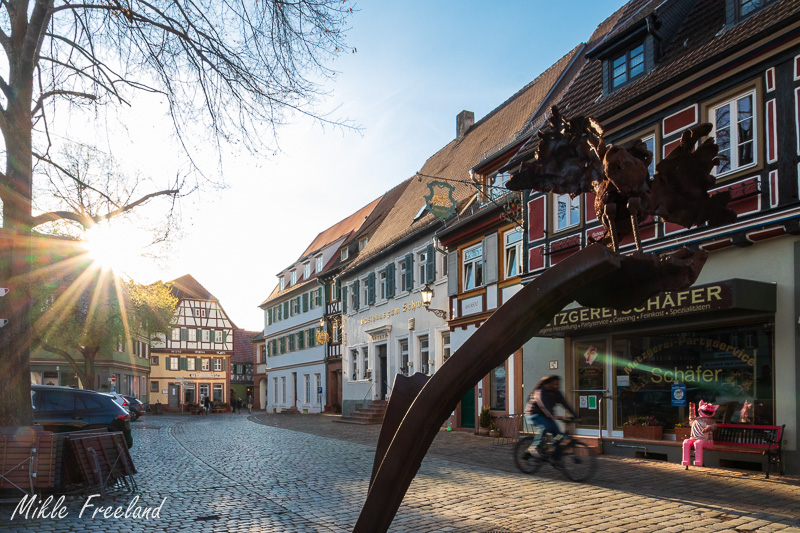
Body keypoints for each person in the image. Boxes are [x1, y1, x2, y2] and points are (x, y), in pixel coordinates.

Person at [524, 375, 578, 461]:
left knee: (559, 436)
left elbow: (566, 405)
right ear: (548, 384)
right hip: (533, 415)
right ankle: (534, 447)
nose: (556, 386)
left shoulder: (557, 393)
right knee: (545, 426)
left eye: (558, 384)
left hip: (547, 416)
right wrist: (554, 416)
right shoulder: (540, 392)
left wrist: (576, 416)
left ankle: (555, 459)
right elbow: (544, 406)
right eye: (554, 384)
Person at [682, 400, 718, 467]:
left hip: (707, 441)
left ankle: (698, 461)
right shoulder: (696, 420)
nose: (707, 412)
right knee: (686, 442)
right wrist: (692, 407)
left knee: (698, 443)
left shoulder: (710, 421)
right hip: (694, 439)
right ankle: (686, 461)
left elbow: (714, 426)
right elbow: (691, 417)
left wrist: (708, 428)